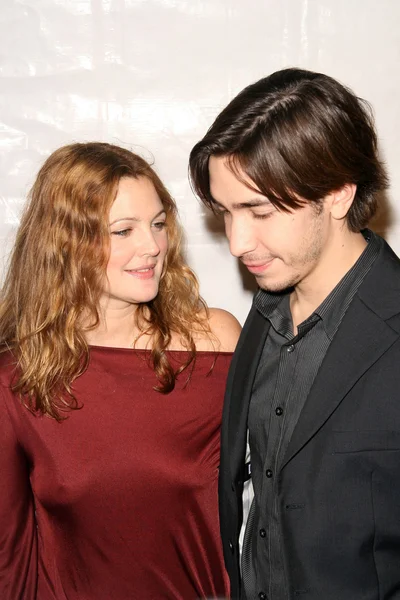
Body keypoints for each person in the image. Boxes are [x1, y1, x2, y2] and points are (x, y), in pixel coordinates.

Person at [189, 67, 400, 600]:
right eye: (225, 212)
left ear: (336, 194)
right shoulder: (261, 318)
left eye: (258, 210)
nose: (237, 242)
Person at [0, 142, 241, 600]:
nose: (152, 246)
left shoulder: (215, 345)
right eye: (123, 230)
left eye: (156, 224)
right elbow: (8, 562)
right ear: (65, 242)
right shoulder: (17, 380)